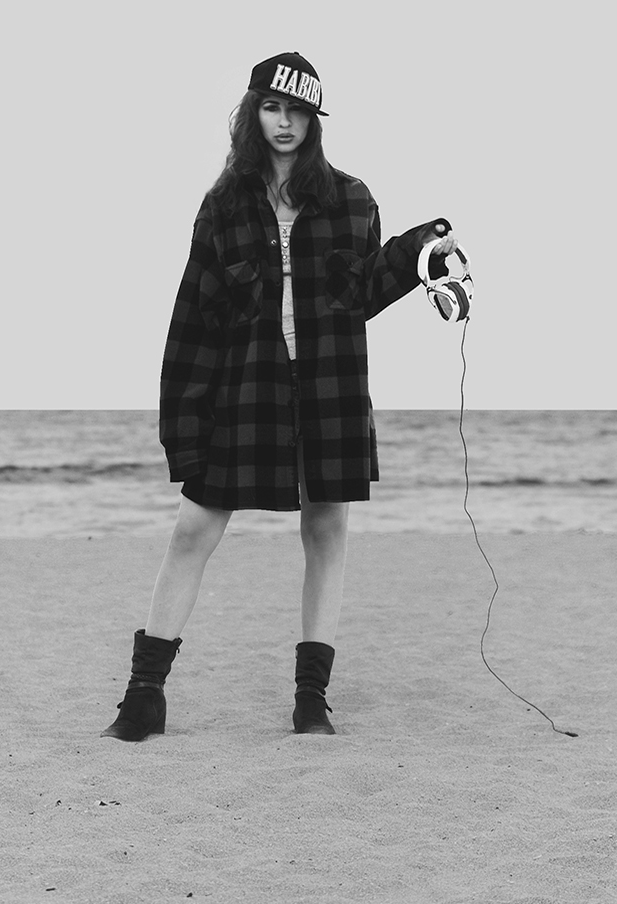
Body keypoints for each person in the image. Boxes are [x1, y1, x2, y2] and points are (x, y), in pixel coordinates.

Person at [101, 51, 456, 741]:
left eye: (297, 110)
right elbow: (193, 318)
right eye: (272, 107)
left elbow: (359, 295)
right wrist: (184, 424)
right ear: (252, 113)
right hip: (246, 390)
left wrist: (420, 253)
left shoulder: (352, 198)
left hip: (330, 389)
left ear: (315, 118)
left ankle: (311, 700)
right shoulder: (224, 205)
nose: (284, 122)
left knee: (326, 532)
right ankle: (144, 697)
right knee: (192, 530)